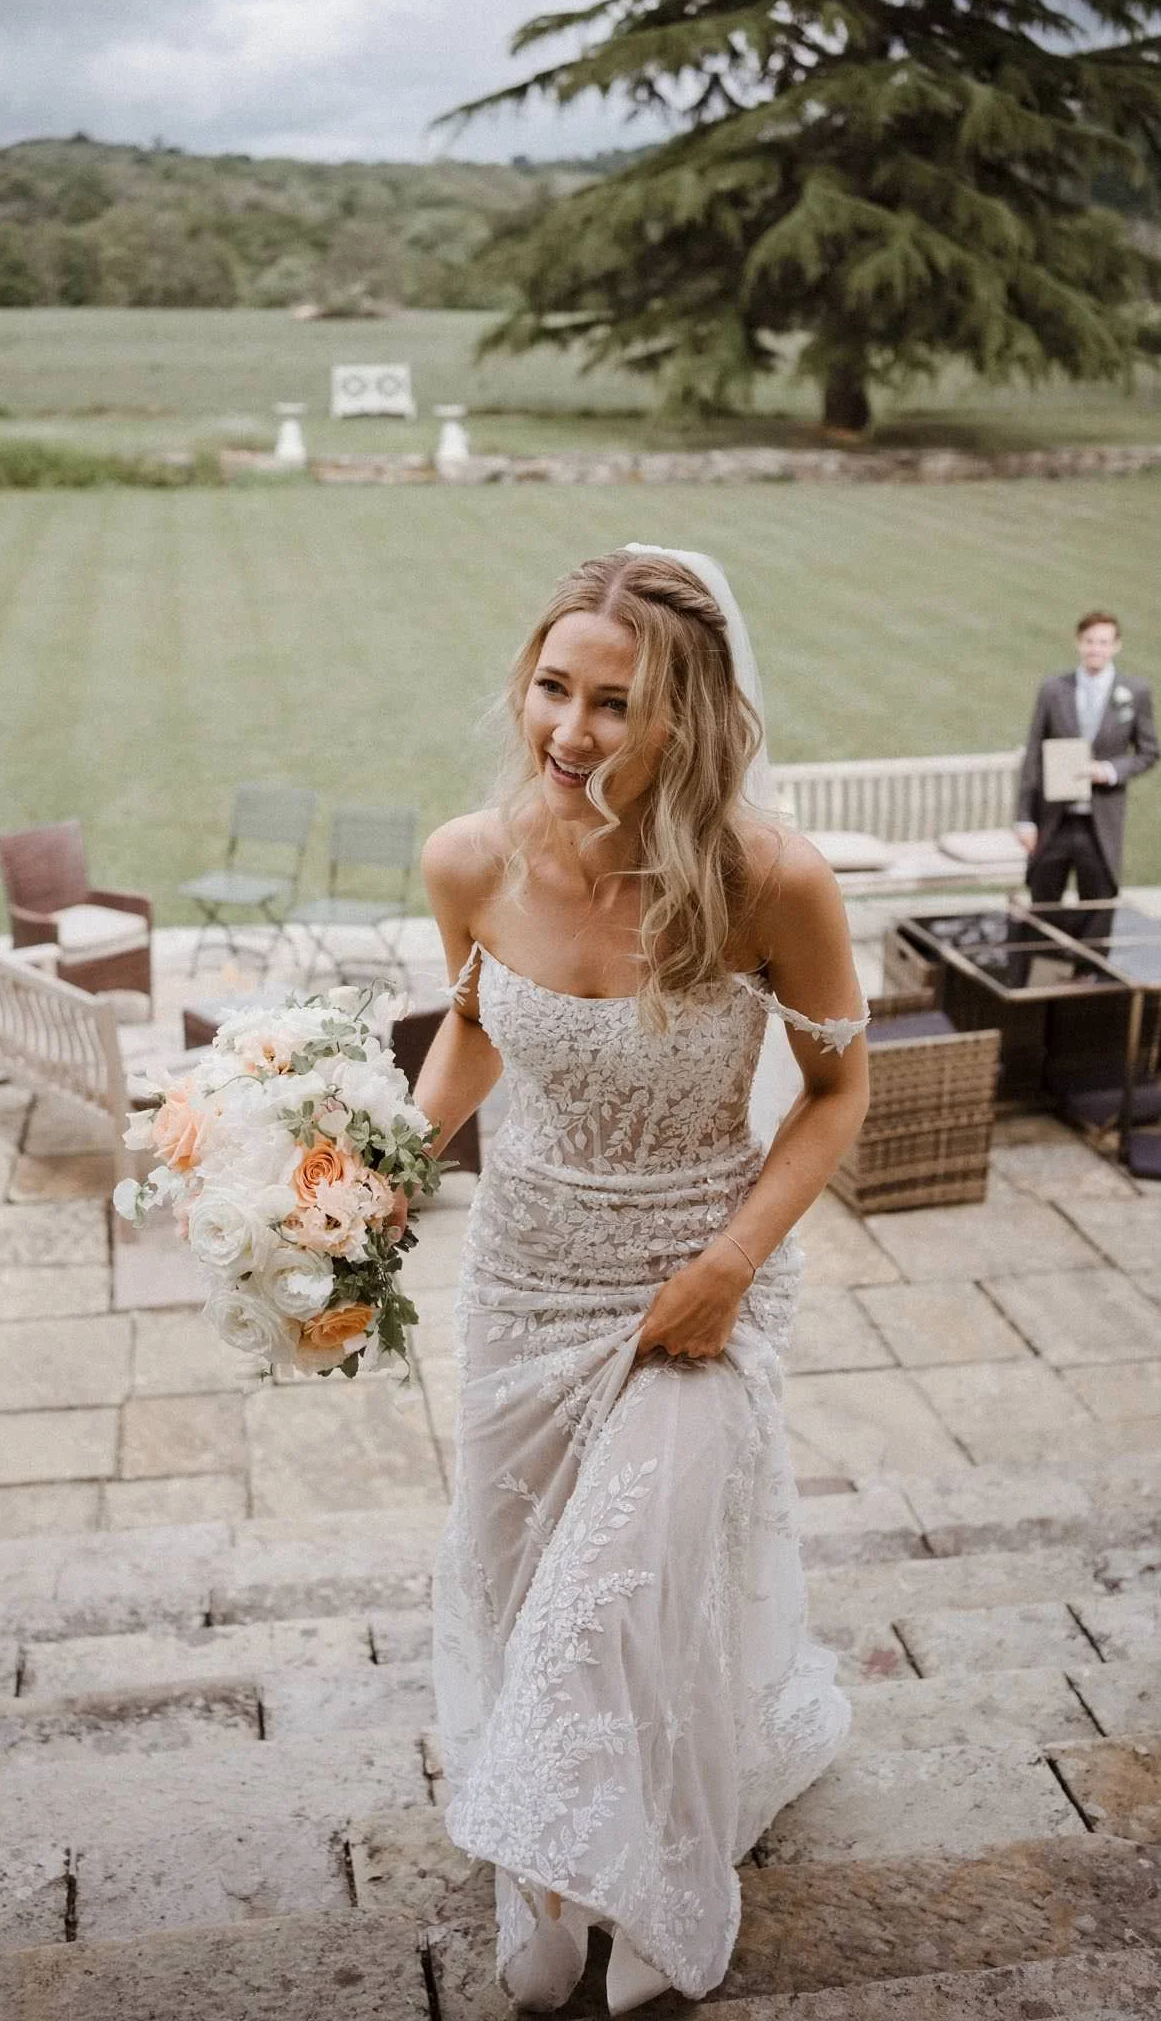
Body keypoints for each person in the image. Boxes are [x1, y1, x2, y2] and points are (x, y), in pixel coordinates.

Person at [406, 546, 870, 2013]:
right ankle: (551, 1870)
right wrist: (379, 1169)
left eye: (615, 702)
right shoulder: (468, 860)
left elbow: (839, 1095)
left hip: (696, 1291)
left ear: (690, 714)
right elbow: (475, 1026)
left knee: (612, 1595)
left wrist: (730, 1266)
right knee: (517, 1576)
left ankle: (633, 1882)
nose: (570, 729)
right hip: (525, 1279)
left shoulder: (770, 881)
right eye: (553, 686)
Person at [1015, 611, 1157, 915]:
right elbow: (1034, 754)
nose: (1096, 649)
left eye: (1103, 642)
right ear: (1079, 643)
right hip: (1055, 818)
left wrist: (1109, 771)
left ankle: (1091, 949)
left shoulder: (1134, 692)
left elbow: (1148, 752)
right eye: (1090, 641)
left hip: (1101, 819)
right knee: (1044, 903)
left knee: (1097, 906)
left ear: (1116, 646)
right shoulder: (1054, 689)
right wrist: (1025, 818)